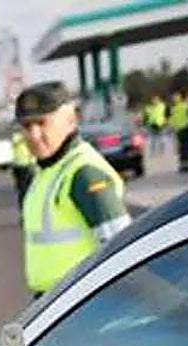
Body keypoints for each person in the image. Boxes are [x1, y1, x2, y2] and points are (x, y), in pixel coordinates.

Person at [15, 81, 131, 297]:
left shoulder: (84, 174)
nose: (34, 135)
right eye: (26, 126)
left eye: (42, 123)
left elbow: (123, 253)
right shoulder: (45, 172)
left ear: (71, 120)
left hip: (86, 305)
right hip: (56, 304)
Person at [10, 128, 36, 213]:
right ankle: (24, 210)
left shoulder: (29, 136)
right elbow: (16, 142)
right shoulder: (16, 136)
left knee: (30, 188)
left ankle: (29, 208)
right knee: (23, 189)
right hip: (21, 166)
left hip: (29, 165)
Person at [171, 90, 188, 172]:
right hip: (186, 128)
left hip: (178, 130)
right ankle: (187, 164)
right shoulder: (186, 105)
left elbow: (172, 119)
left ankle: (182, 165)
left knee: (182, 147)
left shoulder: (174, 108)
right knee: (187, 147)